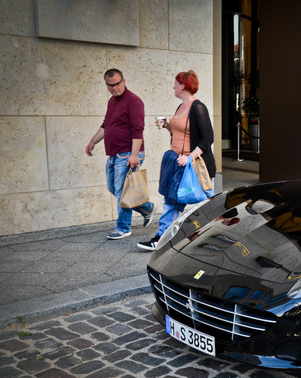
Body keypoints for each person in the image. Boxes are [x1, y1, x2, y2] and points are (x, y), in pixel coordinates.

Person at [137, 70, 216, 251]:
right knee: (171, 201)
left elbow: (207, 139)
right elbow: (180, 134)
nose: (173, 86)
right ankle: (161, 238)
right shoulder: (180, 107)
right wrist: (167, 126)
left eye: (175, 83)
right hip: (177, 162)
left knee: (209, 203)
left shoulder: (198, 107)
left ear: (183, 85)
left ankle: (218, 233)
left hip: (194, 166)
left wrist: (189, 157)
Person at [86, 69, 155, 240]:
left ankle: (123, 227)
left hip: (128, 153)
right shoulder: (112, 102)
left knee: (121, 191)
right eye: (110, 85)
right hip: (114, 154)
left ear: (124, 81)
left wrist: (134, 154)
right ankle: (147, 208)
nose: (114, 88)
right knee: (114, 188)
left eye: (117, 84)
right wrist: (93, 141)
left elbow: (138, 129)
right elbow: (106, 125)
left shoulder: (134, 101)